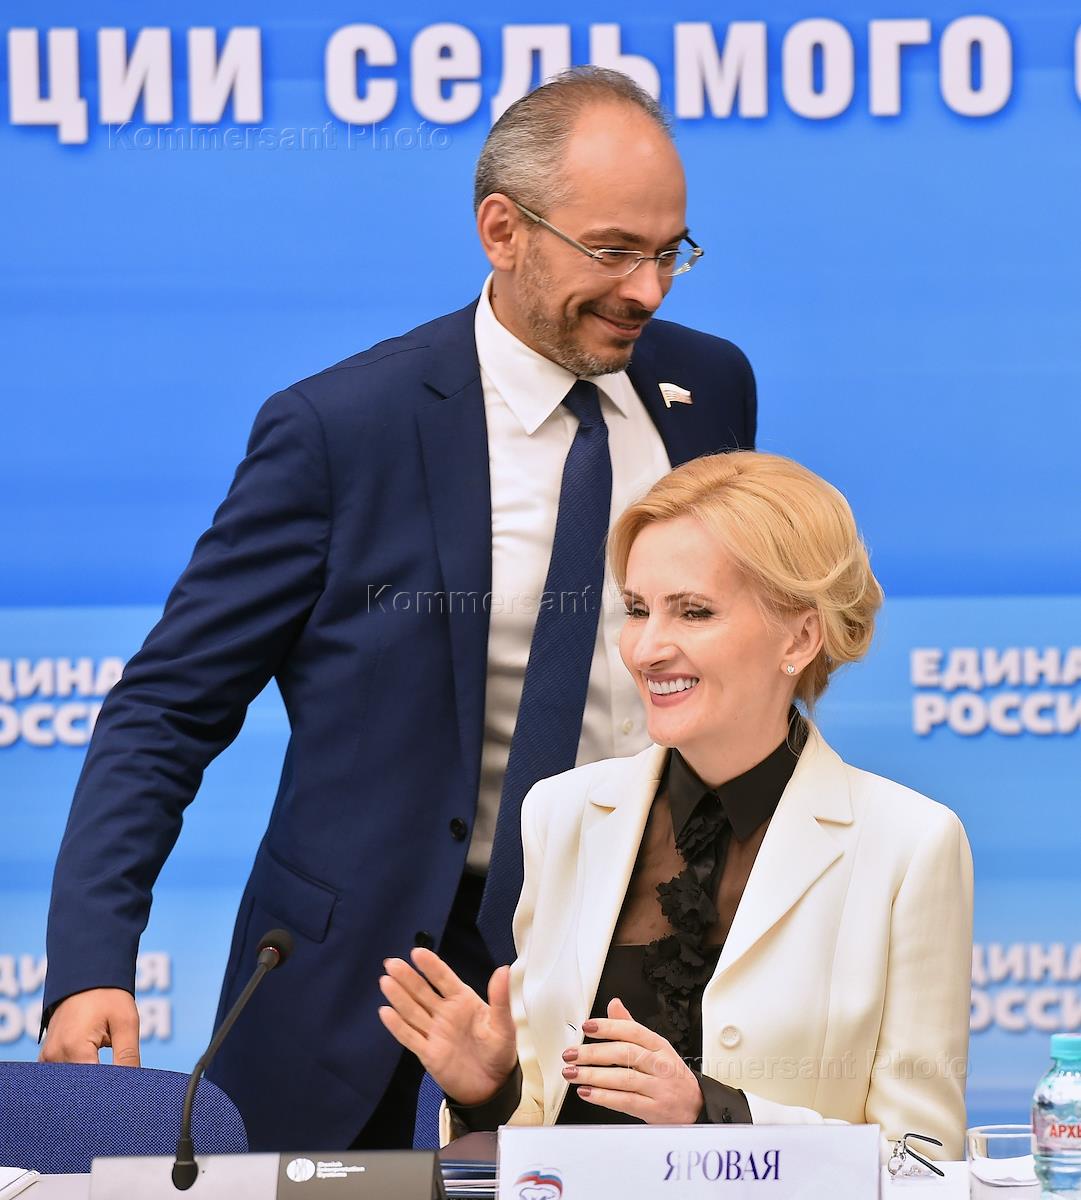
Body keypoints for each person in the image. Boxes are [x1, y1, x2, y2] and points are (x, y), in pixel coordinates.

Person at [39, 68, 757, 1151]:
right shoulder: (342, 431)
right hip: (367, 990)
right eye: (613, 251)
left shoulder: (710, 392)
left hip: (633, 984)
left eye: (670, 252)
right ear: (502, 230)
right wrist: (92, 959)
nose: (648, 291)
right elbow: (167, 709)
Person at [379, 451, 974, 1159]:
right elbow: (540, 1131)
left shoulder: (909, 843)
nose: (646, 649)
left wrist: (712, 1115)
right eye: (636, 610)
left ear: (800, 636)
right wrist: (492, 1093)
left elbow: (923, 1160)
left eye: (693, 612)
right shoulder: (561, 814)